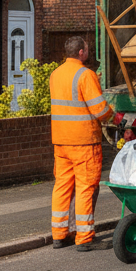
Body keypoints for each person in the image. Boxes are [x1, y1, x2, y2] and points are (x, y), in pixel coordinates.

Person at [48, 36, 113, 251]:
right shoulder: (86, 75)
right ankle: (84, 237)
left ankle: (59, 235)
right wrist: (114, 116)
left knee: (62, 187)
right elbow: (100, 110)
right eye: (87, 49)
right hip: (83, 142)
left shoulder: (55, 74)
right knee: (85, 187)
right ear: (81, 53)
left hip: (61, 141)